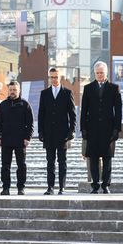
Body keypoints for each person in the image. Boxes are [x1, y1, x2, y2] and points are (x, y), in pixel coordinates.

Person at [80, 61, 122, 194]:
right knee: (93, 158)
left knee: (107, 158)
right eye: (97, 73)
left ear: (106, 73)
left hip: (108, 129)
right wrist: (83, 129)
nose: (99, 75)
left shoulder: (114, 88)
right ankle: (95, 185)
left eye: (101, 73)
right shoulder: (88, 88)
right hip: (92, 129)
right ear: (94, 73)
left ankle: (106, 185)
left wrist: (117, 129)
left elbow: (118, 110)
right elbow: (84, 110)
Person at [37, 67, 76, 195]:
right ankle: (50, 187)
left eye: (56, 77)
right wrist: (40, 132)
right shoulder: (44, 93)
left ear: (60, 78)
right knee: (50, 162)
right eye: (51, 77)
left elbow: (72, 114)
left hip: (62, 134)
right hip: (48, 133)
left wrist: (72, 131)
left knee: (62, 161)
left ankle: (61, 187)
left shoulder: (67, 93)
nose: (53, 79)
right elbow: (41, 114)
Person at [0, 81, 34, 195]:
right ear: (8, 90)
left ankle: (21, 188)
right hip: (6, 140)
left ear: (19, 90)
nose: (12, 92)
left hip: (20, 140)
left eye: (15, 90)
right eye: (11, 90)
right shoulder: (3, 105)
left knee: (21, 165)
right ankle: (5, 188)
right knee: (5, 165)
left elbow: (30, 123)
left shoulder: (25, 104)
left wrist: (28, 138)